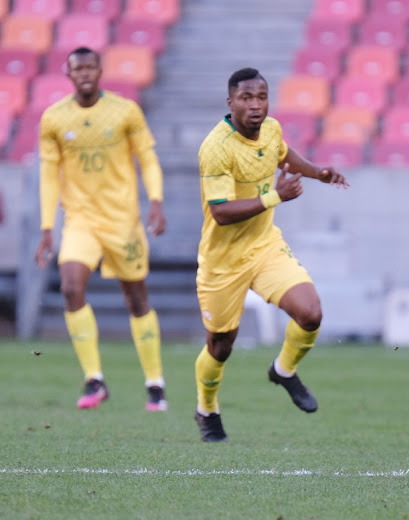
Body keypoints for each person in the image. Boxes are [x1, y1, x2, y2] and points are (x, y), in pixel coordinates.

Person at [193, 67, 349, 442]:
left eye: (261, 97)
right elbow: (220, 212)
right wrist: (275, 196)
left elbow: (283, 155)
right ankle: (206, 408)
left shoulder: (272, 129)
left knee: (310, 313)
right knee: (221, 345)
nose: (255, 105)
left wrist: (317, 173)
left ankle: (283, 371)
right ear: (230, 103)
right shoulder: (216, 148)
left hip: (265, 248)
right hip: (222, 262)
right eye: (246, 98)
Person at [34, 47, 169, 411]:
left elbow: (148, 157)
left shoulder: (125, 111)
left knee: (136, 299)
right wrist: (48, 227)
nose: (85, 74)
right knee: (70, 286)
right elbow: (48, 175)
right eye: (78, 69)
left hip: (123, 221)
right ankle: (94, 378)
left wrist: (156, 201)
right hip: (80, 221)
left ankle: (155, 382)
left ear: (100, 70)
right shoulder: (54, 119)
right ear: (68, 73)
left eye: (90, 67)